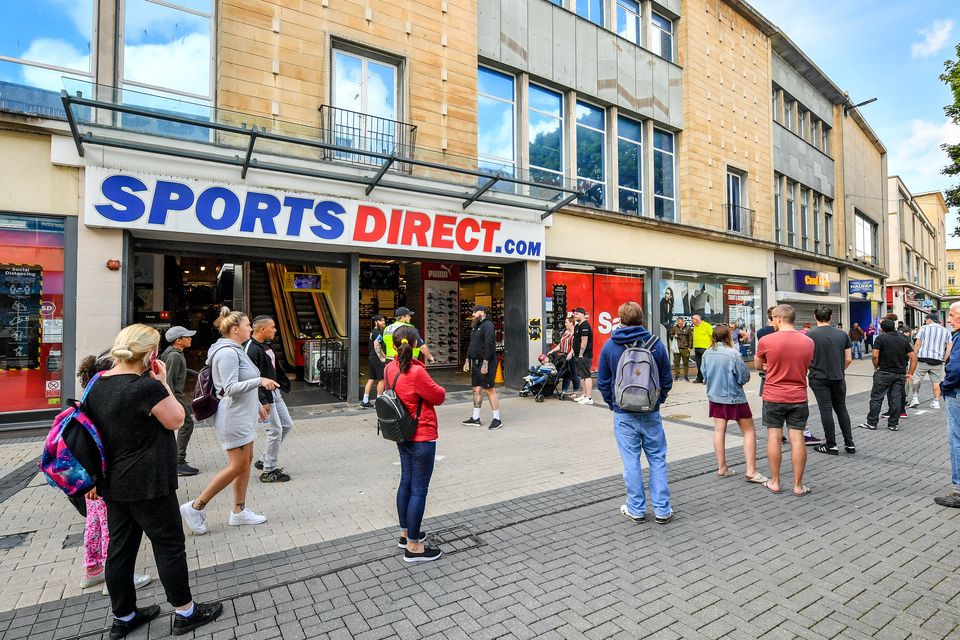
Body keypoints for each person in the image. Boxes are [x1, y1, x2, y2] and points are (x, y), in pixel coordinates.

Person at [81, 324, 222, 638]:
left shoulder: (96, 384)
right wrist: (162, 381)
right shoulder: (144, 386)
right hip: (150, 482)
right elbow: (176, 419)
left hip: (112, 483)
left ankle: (125, 615)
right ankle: (185, 612)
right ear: (151, 353)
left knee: (120, 549)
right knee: (169, 546)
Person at [180, 307, 279, 534]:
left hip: (243, 414)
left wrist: (255, 405)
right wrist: (260, 381)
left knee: (246, 462)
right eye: (246, 325)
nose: (250, 328)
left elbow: (243, 381)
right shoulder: (227, 353)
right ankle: (196, 506)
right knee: (237, 465)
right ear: (235, 329)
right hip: (233, 416)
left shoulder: (237, 349)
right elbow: (229, 388)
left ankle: (239, 511)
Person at [76, 354, 153, 597]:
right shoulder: (106, 400)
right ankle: (117, 576)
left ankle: (92, 570)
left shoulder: (90, 398)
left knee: (94, 524)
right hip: (103, 477)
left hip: (91, 478)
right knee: (113, 530)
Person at [597, 302, 674, 524]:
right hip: (650, 411)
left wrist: (613, 404)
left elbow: (603, 381)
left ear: (620, 318)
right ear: (642, 318)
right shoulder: (656, 344)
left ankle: (636, 509)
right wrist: (658, 401)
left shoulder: (611, 345)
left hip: (623, 413)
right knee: (657, 459)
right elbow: (666, 380)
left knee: (631, 461)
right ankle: (662, 510)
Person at [386, 326, 447, 562]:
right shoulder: (416, 372)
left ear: (394, 346)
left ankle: (406, 533)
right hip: (422, 434)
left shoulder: (389, 368)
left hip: (402, 434)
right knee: (419, 489)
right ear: (414, 346)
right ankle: (414, 547)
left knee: (406, 482)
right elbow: (438, 396)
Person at [754, 304, 814, 497]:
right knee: (797, 439)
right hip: (798, 395)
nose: (772, 322)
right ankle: (798, 485)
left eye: (772, 318)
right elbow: (807, 365)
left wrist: (768, 365)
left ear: (779, 318)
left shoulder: (766, 340)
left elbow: (758, 366)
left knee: (774, 437)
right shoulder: (808, 341)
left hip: (773, 395)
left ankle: (775, 481)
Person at [701, 324, 766, 483]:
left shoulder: (706, 353)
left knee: (719, 430)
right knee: (749, 431)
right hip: (734, 397)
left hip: (715, 396)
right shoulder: (733, 354)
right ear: (728, 337)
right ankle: (751, 471)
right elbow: (744, 377)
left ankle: (722, 467)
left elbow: (704, 375)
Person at [245, 316, 294, 483]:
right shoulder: (251, 349)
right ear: (262, 329)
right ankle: (269, 470)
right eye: (272, 327)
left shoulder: (265, 345)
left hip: (275, 393)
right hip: (265, 397)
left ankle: (265, 458)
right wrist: (262, 401)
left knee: (286, 425)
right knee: (274, 431)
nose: (275, 330)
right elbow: (250, 377)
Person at [807, 306, 855, 456]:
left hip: (818, 377)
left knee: (825, 409)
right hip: (838, 377)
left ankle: (831, 444)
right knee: (841, 409)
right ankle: (849, 443)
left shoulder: (809, 335)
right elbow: (848, 358)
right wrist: (840, 369)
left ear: (815, 317)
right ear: (831, 317)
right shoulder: (842, 334)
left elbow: (806, 358)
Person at [859, 319, 917, 432]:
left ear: (882, 329)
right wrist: (910, 373)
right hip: (900, 374)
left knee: (877, 398)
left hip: (884, 372)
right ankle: (893, 424)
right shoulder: (903, 340)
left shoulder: (880, 338)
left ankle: (872, 422)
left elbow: (875, 355)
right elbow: (914, 357)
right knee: (896, 399)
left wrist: (876, 367)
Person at [161, 326, 199, 477]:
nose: (190, 339)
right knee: (187, 424)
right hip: (175, 396)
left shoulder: (173, 353)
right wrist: (173, 403)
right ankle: (178, 462)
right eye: (187, 337)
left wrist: (196, 373)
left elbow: (178, 370)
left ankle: (175, 460)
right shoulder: (175, 356)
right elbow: (168, 380)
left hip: (175, 396)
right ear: (178, 340)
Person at [935, 302, 960, 508]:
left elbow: (956, 367)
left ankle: (959, 490)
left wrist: (945, 385)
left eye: (952, 315)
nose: (949, 320)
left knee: (957, 439)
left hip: (957, 393)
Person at [462, 305, 502, 430]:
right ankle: (476, 418)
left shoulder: (488, 325)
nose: (473, 314)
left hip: (486, 362)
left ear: (483, 312)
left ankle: (497, 419)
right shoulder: (475, 326)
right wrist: (467, 360)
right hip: (475, 362)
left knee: (489, 390)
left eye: (475, 312)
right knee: (476, 390)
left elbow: (490, 344)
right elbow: (472, 345)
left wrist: (485, 363)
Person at [381, 307, 435, 395]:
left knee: (391, 385)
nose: (410, 317)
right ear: (403, 317)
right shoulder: (409, 328)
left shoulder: (387, 329)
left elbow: (378, 343)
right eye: (409, 316)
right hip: (405, 362)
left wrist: (382, 357)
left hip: (390, 362)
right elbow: (422, 346)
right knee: (405, 388)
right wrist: (430, 357)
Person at [909, 313, 952, 410]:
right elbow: (949, 347)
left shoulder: (924, 328)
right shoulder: (946, 331)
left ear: (929, 320)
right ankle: (936, 401)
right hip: (937, 360)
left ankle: (915, 398)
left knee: (917, 378)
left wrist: (914, 356)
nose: (925, 321)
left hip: (922, 358)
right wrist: (944, 359)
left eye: (926, 319)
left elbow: (918, 343)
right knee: (936, 381)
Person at [547, 316, 580, 398]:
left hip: (572, 356)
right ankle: (564, 391)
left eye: (566, 322)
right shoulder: (566, 332)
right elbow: (560, 345)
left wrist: (570, 353)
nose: (565, 324)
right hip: (563, 355)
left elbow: (575, 345)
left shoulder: (576, 333)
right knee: (566, 373)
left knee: (573, 373)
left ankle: (576, 391)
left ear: (571, 323)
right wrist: (552, 350)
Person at [360, 314, 387, 408]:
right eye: (381, 321)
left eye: (383, 320)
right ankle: (378, 402)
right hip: (376, 357)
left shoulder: (374, 332)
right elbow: (377, 346)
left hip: (371, 357)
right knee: (382, 379)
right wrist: (383, 357)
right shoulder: (377, 332)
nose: (383, 322)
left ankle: (365, 401)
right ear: (376, 322)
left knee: (371, 379)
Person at [572, 307, 596, 404]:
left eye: (577, 314)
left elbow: (584, 341)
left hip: (585, 355)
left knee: (586, 375)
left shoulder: (585, 325)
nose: (575, 315)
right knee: (582, 376)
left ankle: (589, 398)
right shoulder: (578, 326)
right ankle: (585, 394)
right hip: (578, 355)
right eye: (574, 314)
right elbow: (576, 341)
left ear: (582, 314)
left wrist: (581, 354)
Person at [756, 307, 776, 397]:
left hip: (766, 366)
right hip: (782, 366)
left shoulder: (761, 332)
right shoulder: (782, 331)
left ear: (768, 317)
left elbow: (761, 351)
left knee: (766, 396)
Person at [668, 317, 693, 382]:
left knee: (686, 363)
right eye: (678, 322)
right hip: (676, 348)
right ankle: (676, 376)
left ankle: (686, 376)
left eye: (680, 322)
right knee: (676, 363)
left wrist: (690, 348)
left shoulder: (688, 328)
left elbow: (690, 338)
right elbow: (670, 335)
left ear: (683, 321)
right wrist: (673, 336)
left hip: (685, 348)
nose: (679, 324)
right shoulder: (674, 328)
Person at [691, 314, 713, 384]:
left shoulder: (706, 325)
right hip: (697, 348)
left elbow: (712, 336)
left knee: (706, 364)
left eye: (693, 320)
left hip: (705, 348)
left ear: (697, 320)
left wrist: (711, 346)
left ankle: (708, 379)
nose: (692, 321)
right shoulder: (695, 326)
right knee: (699, 364)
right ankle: (699, 378)